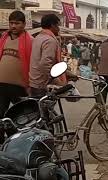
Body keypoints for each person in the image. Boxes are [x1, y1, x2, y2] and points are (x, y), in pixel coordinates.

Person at [0, 11, 32, 143]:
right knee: (0, 115)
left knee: (21, 116)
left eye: (17, 23)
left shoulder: (30, 41)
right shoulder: (3, 39)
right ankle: (2, 143)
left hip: (19, 86)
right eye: (11, 23)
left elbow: (32, 61)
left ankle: (18, 142)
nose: (13, 26)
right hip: (1, 84)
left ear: (24, 24)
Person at [29, 14, 68, 97]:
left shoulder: (38, 37)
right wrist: (58, 81)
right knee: (45, 109)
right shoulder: (50, 40)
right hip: (42, 84)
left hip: (34, 82)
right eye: (57, 25)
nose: (58, 28)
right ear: (52, 25)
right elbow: (45, 65)